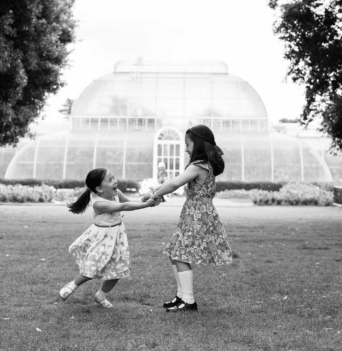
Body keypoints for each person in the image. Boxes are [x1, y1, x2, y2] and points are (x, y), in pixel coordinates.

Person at [142, 124, 233, 312]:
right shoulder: (201, 165)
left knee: (179, 254)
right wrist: (155, 190)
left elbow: (175, 183)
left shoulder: (199, 165)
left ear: (198, 145)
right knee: (175, 252)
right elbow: (174, 179)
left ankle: (189, 301)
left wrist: (154, 195)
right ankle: (181, 296)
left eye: (188, 145)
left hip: (197, 215)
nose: (185, 149)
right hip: (194, 213)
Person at [59, 168, 160, 308]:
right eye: (110, 180)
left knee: (118, 270)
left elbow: (129, 202)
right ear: (99, 189)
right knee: (93, 267)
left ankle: (100, 295)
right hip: (102, 238)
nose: (115, 181)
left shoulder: (116, 193)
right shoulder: (99, 203)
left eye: (114, 178)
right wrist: (146, 205)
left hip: (117, 237)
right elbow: (123, 206)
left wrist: (146, 200)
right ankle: (73, 285)